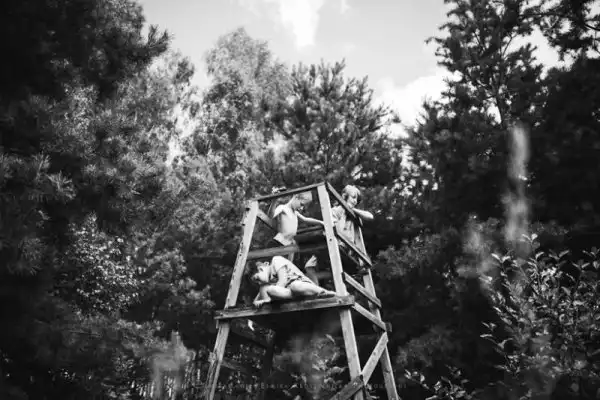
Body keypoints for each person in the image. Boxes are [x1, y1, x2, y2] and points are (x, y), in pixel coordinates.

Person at [250, 256, 336, 307]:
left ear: (261, 268)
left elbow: (283, 280)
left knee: (295, 286)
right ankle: (296, 299)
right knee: (270, 290)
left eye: (257, 279)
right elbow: (260, 293)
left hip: (303, 286)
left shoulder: (276, 260)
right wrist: (255, 301)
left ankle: (323, 292)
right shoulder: (268, 279)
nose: (259, 283)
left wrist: (268, 299)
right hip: (292, 295)